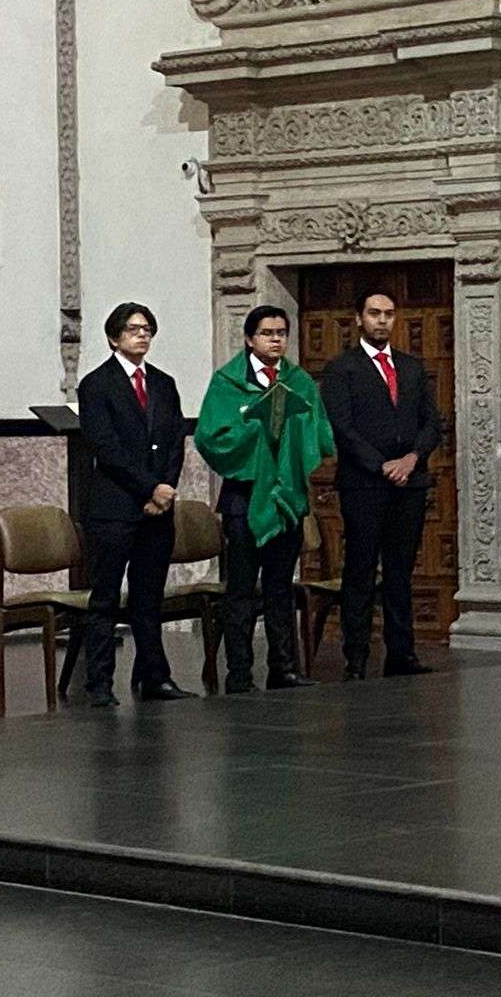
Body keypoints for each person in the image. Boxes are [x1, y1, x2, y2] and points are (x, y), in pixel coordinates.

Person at [195, 305, 334, 694]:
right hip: (244, 498)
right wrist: (258, 429)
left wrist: (293, 432)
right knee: (241, 588)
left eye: (281, 333)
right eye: (267, 333)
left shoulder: (298, 381)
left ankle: (283, 667)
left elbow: (319, 430)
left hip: (286, 496)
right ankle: (239, 673)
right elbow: (211, 436)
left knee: (281, 586)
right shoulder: (228, 382)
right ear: (249, 338)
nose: (276, 340)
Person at [319, 289, 442, 680]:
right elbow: (342, 427)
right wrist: (381, 464)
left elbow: (432, 423)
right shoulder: (341, 368)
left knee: (400, 572)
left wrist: (411, 459)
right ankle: (355, 657)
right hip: (364, 484)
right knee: (360, 570)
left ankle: (401, 654)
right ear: (359, 318)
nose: (382, 320)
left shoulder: (411, 367)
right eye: (374, 313)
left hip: (410, 482)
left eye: (389, 313)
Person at [77, 302, 193, 707]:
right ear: (114, 338)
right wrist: (150, 488)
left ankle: (154, 677)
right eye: (132, 329)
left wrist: (166, 489)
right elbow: (107, 448)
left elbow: (175, 440)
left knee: (149, 598)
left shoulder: (163, 383)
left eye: (147, 329)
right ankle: (99, 684)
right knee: (106, 598)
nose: (142, 335)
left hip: (157, 509)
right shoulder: (97, 384)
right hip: (116, 508)